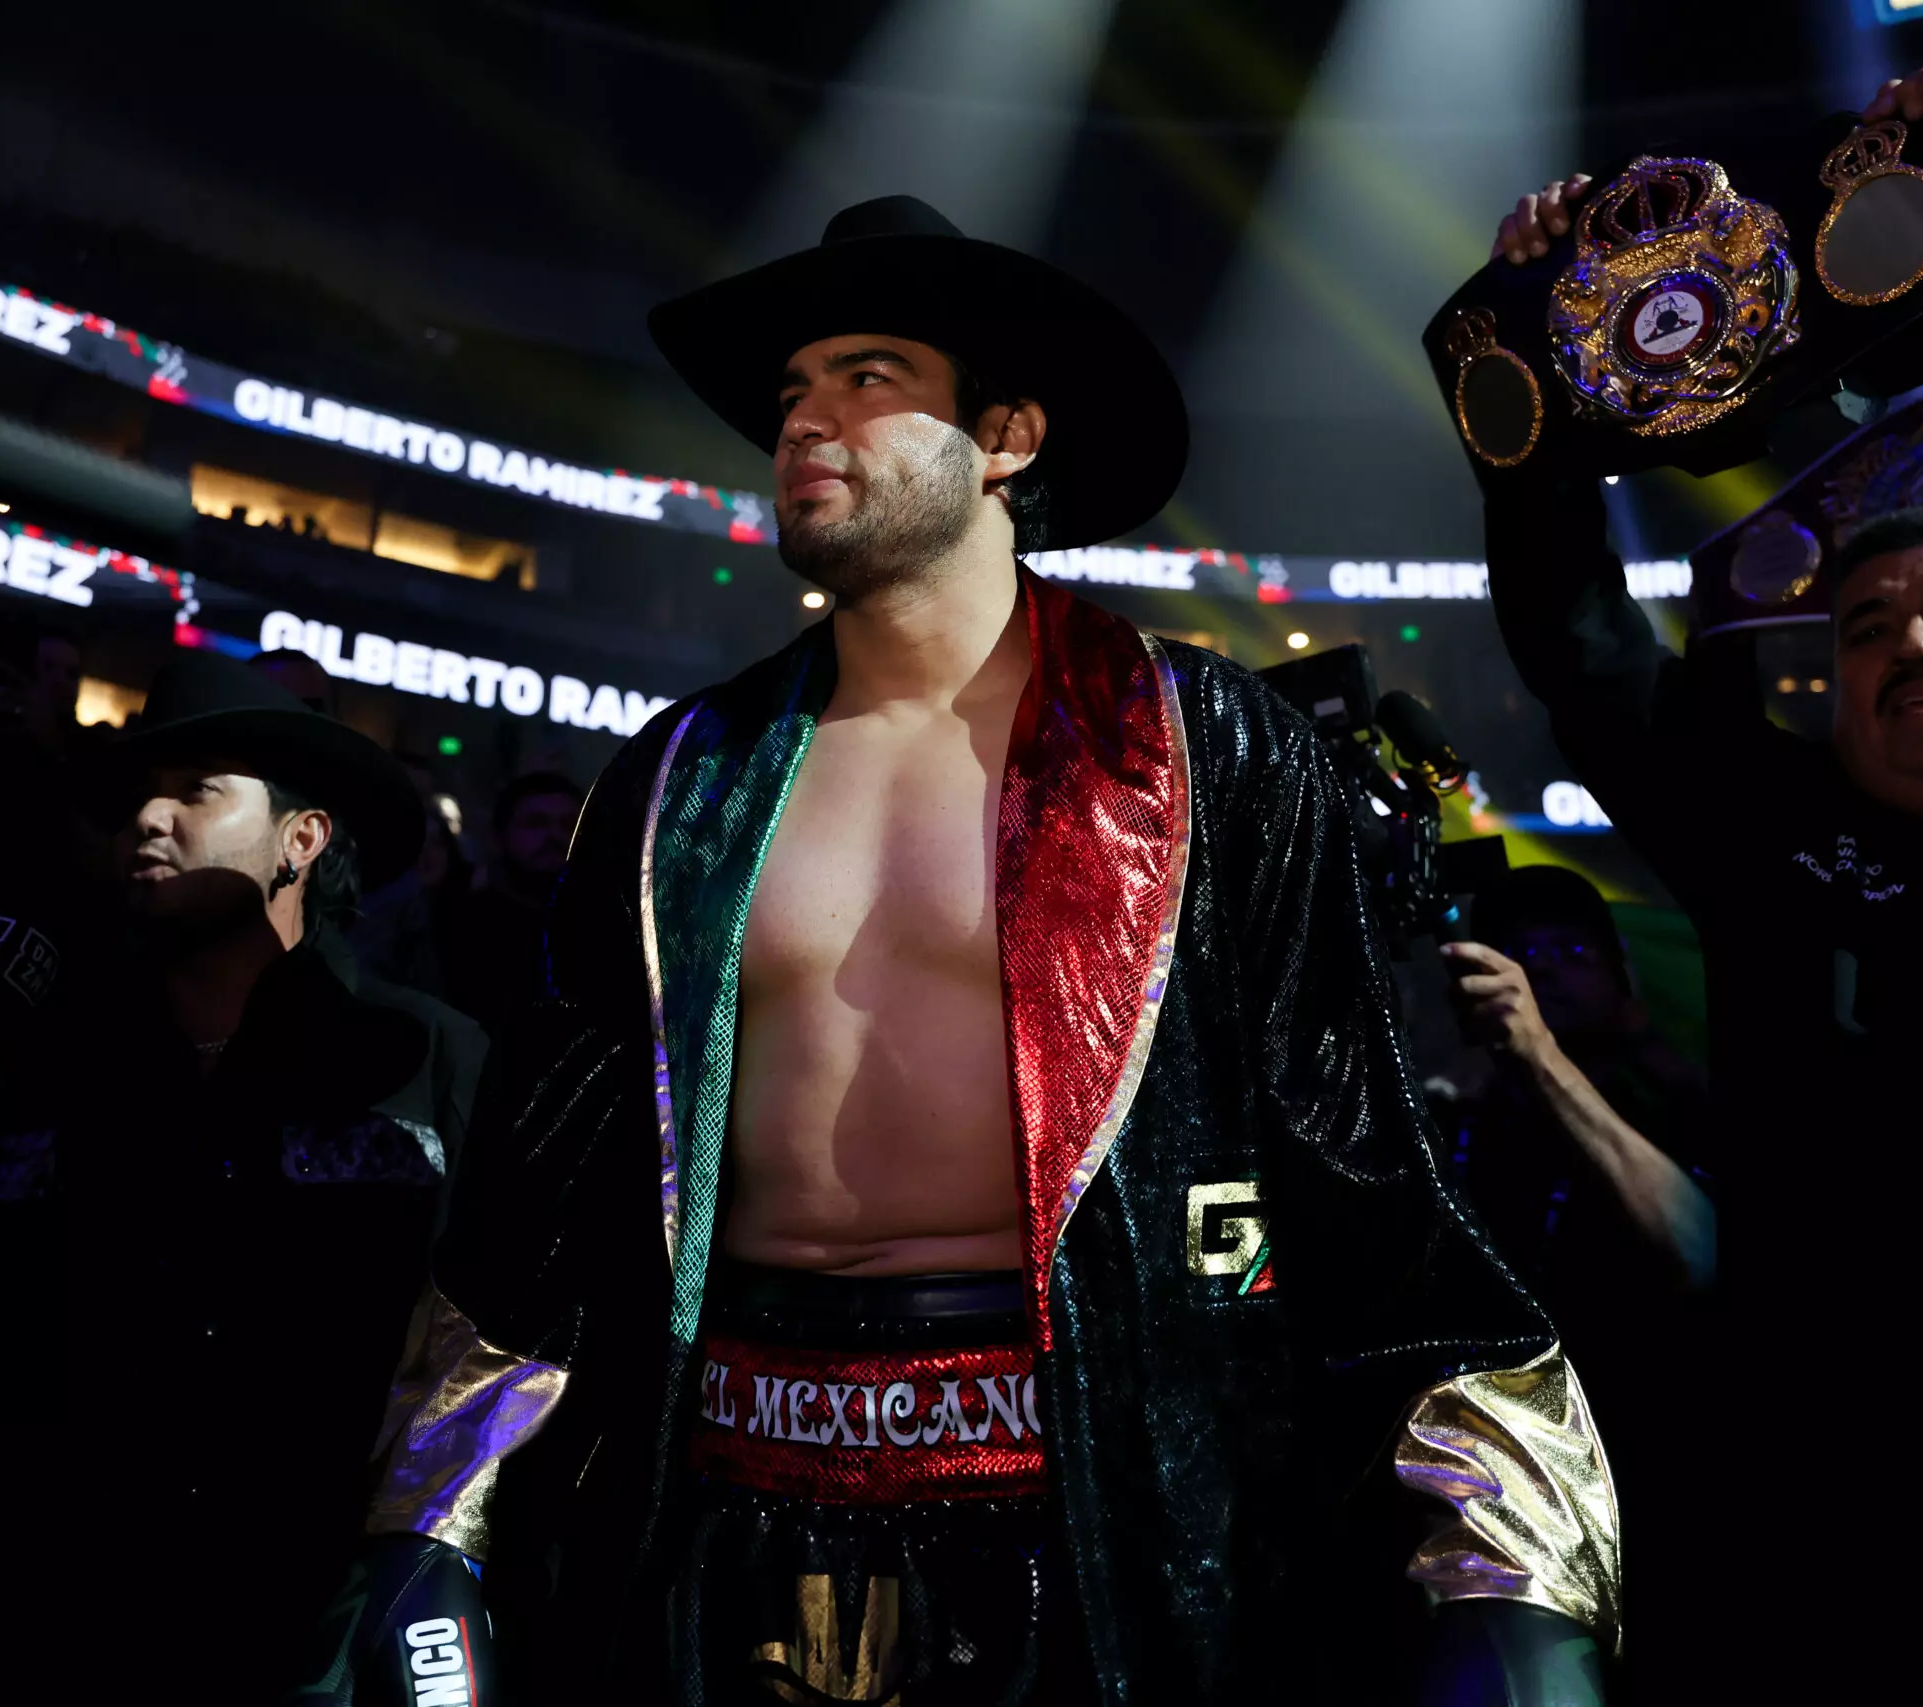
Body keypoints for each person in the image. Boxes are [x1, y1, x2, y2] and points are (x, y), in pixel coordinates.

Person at [310, 196, 1620, 1707]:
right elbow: (538, 1203)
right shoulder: (678, 781)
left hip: (1101, 1537)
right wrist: (434, 1519)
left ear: (1005, 436)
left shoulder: (1204, 748)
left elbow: (1365, 1180)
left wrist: (1504, 1560)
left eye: (865, 377)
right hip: (724, 1529)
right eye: (791, 390)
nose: (802, 420)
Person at [1482, 43, 1923, 1697]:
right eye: (1867, 627)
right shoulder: (1773, 833)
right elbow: (1584, 647)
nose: (1913, 644)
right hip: (1823, 1520)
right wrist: (1537, 355)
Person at [0, 651, 479, 1705]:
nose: (148, 820)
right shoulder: (26, 1058)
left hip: (288, 1634)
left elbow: (500, 1361)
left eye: (195, 791)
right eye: (132, 801)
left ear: (301, 839)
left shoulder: (427, 1061)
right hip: (2, 1623)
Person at [1436, 867, 1714, 1700]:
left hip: (1664, 1496)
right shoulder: (1456, 1128)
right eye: (1522, 952)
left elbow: (1699, 1251)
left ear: (1622, 981)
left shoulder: (1678, 1108)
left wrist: (1544, 1056)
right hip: (1515, 1522)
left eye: (1572, 950)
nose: (1545, 971)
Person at [438, 769, 581, 1032]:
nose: (554, 836)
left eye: (568, 825)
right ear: (500, 835)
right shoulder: (457, 922)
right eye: (535, 824)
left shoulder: (604, 923)